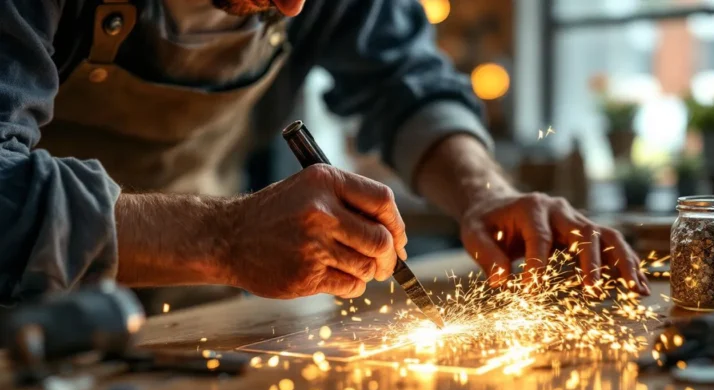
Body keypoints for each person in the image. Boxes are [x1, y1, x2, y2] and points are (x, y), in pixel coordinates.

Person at [0, 0, 649, 306]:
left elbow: (403, 80)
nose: (294, 6)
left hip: (193, 305)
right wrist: (224, 238)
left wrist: (483, 192)